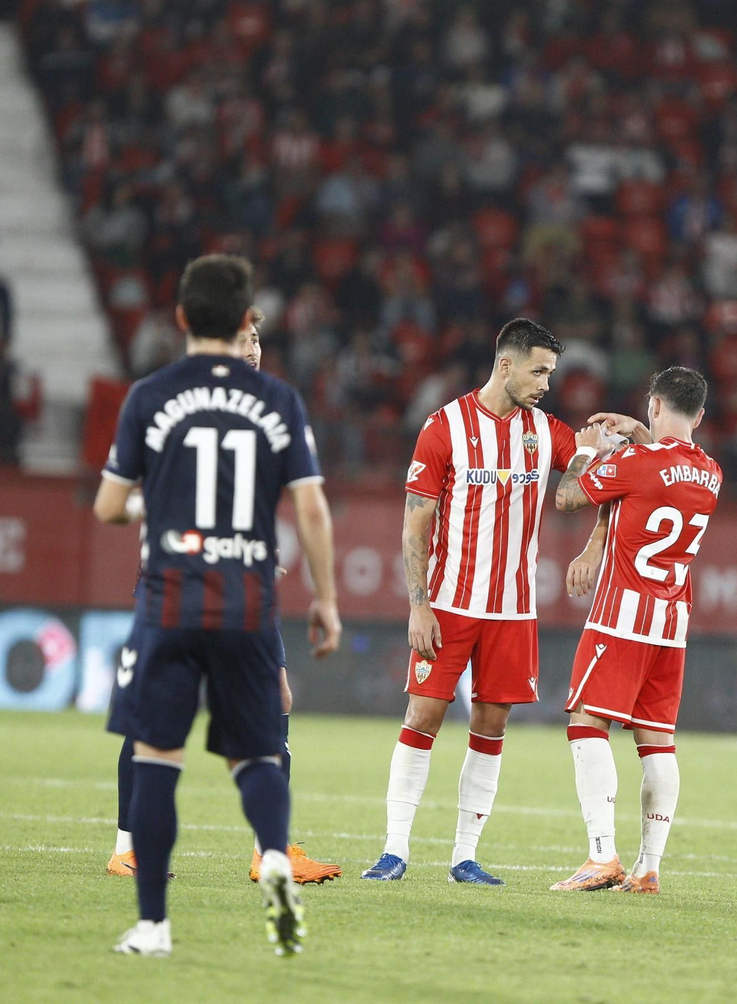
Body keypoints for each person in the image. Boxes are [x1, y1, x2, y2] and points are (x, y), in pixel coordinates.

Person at [94, 255, 341, 958]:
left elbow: (110, 505)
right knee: (259, 751)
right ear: (242, 322)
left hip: (170, 598)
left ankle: (153, 926)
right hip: (246, 602)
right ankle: (271, 859)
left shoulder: (149, 395)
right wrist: (324, 598)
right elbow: (312, 508)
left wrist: (163, 505)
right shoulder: (279, 403)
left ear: (179, 318)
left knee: (155, 754)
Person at [360, 318, 576, 886]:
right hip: (451, 603)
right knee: (423, 713)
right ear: (505, 364)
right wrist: (419, 604)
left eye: (550, 373)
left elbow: (589, 479)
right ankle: (394, 850)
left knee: (491, 723)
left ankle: (464, 855)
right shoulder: (444, 427)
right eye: (539, 371)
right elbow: (415, 525)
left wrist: (623, 435)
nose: (546, 383)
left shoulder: (547, 432)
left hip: (514, 608)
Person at [549, 367, 722, 894]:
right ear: (700, 415)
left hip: (622, 615)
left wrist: (584, 449)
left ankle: (602, 856)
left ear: (653, 405)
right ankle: (649, 868)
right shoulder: (712, 473)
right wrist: (642, 436)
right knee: (657, 742)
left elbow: (568, 496)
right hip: (672, 624)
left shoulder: (633, 462)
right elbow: (660, 471)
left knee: (586, 722)